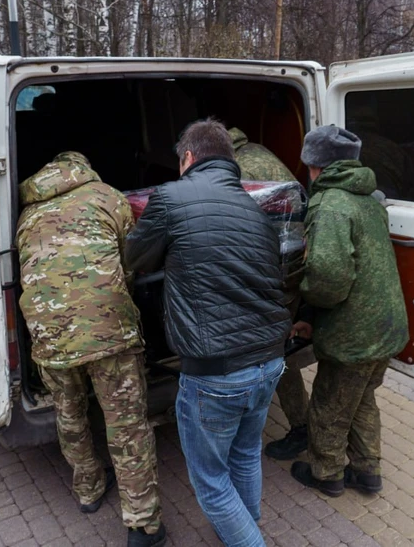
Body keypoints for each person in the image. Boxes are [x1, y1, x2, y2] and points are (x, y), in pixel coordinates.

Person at [126, 119, 290, 547]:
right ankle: (244, 530)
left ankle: (247, 539)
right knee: (245, 453)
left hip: (216, 370)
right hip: (270, 360)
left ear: (188, 158)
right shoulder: (255, 209)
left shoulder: (170, 196)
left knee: (212, 483)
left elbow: (137, 256)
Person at [16, 152, 165, 547]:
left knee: (69, 416)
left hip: (48, 335)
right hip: (108, 331)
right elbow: (129, 261)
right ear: (83, 170)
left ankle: (89, 489)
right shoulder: (107, 196)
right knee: (126, 425)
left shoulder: (26, 215)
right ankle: (143, 525)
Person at [288, 126, 408, 498]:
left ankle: (327, 474)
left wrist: (304, 301)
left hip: (354, 333)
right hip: (387, 326)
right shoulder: (369, 199)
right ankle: (367, 472)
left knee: (328, 404)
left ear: (313, 164)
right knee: (361, 400)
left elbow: (327, 276)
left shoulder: (330, 205)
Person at [228, 126, 311, 462]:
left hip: (274, 270)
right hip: (293, 261)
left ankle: (302, 427)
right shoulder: (259, 152)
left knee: (273, 349)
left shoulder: (235, 168)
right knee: (276, 343)